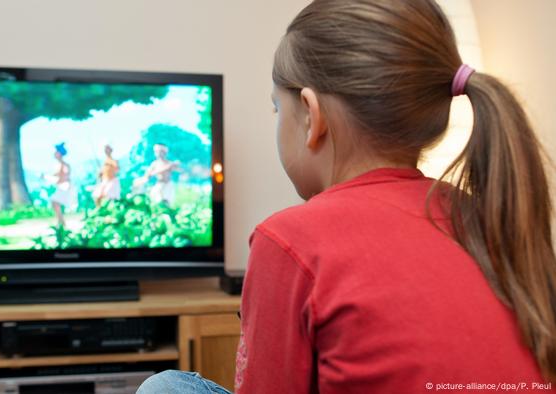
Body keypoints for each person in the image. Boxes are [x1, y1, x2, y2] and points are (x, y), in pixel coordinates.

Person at [137, 0, 556, 393]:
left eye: (276, 109)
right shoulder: (488, 217)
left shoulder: (289, 240)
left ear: (310, 114)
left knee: (165, 386)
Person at [42, 143, 77, 227]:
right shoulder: (60, 165)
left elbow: (64, 176)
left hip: (64, 187)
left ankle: (61, 222)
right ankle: (61, 221)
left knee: (55, 202)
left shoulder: (64, 165)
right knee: (55, 203)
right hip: (61, 187)